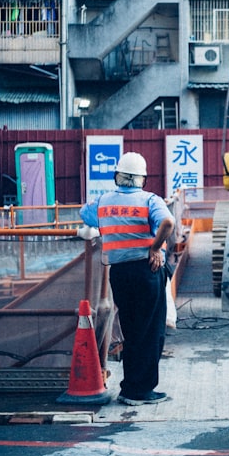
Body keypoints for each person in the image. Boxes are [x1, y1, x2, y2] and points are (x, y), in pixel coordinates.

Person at [79, 151, 175, 406]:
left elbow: (84, 214)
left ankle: (129, 387)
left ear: (116, 176)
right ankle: (139, 391)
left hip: (119, 274)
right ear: (142, 179)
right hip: (147, 271)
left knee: (132, 330)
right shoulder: (150, 200)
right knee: (151, 331)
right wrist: (155, 247)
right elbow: (168, 222)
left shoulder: (102, 202)